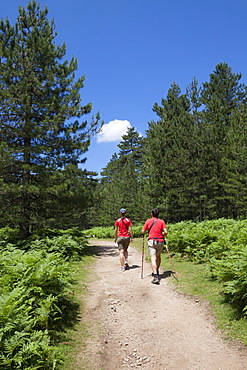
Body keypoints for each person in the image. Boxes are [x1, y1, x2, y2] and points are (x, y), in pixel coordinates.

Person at [142, 208, 168, 284]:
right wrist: (162, 235)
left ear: (151, 214)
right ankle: (157, 270)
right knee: (158, 256)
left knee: (153, 258)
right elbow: (166, 232)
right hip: (160, 241)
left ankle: (155, 275)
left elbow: (143, 231)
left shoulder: (148, 221)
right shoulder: (162, 221)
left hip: (152, 241)